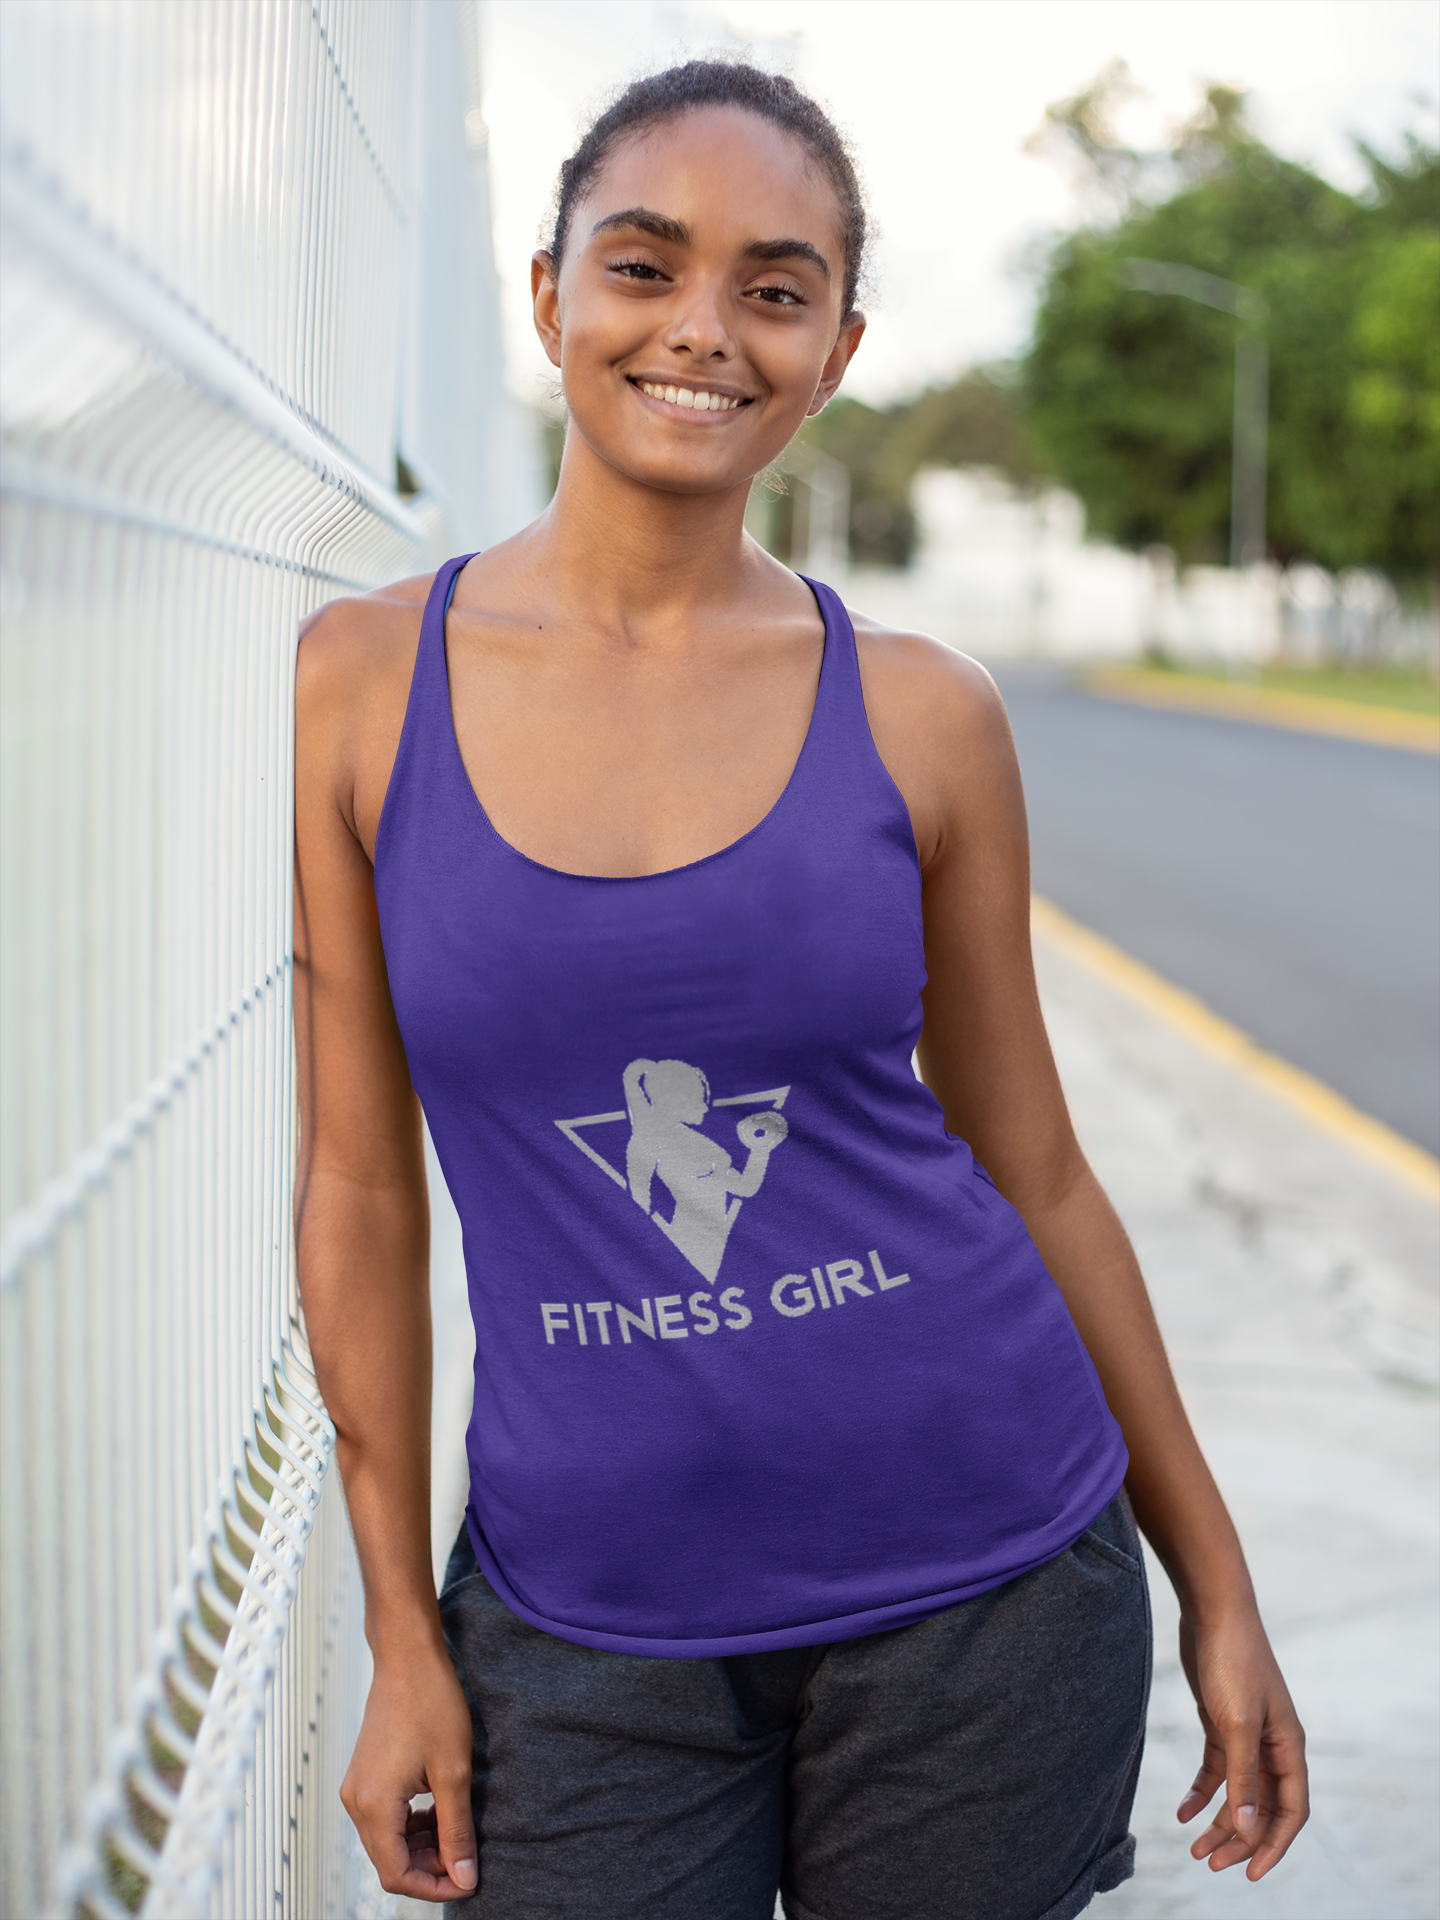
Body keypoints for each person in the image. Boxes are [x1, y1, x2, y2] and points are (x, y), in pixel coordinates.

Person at [293, 60, 1308, 1920]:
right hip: (583, 1629)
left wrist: (1215, 1583)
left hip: (988, 1594)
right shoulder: (364, 683)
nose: (704, 330)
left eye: (774, 288)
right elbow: (359, 1187)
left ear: (838, 348)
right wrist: (398, 1634)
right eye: (644, 265)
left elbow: (1041, 1171)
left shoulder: (927, 713)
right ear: (549, 298)